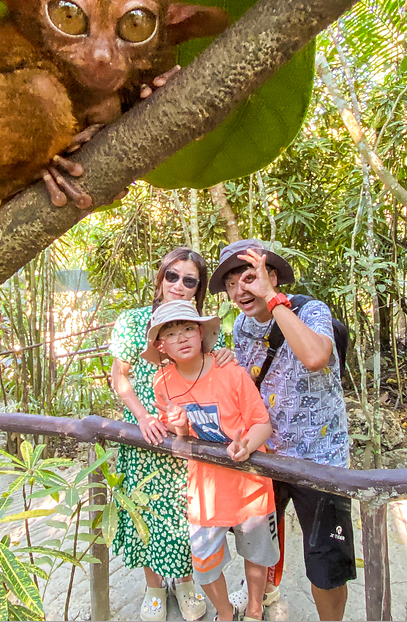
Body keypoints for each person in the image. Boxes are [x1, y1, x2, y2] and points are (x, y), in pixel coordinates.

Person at [209, 239, 356, 622]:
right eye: (230, 283)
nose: (240, 290)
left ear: (271, 277)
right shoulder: (241, 325)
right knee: (258, 542)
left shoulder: (311, 310)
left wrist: (274, 301)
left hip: (319, 460)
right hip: (268, 456)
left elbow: (314, 357)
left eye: (249, 277)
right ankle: (259, 602)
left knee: (325, 563)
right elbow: (250, 385)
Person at [110, 248, 235, 622]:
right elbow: (120, 377)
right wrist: (143, 416)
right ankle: (152, 587)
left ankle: (183, 583)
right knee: (146, 511)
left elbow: (216, 368)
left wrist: (226, 357)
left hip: (189, 438)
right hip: (147, 438)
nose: (179, 285)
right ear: (161, 277)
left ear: (198, 290)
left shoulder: (200, 327)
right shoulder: (133, 322)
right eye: (172, 276)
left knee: (184, 516)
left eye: (190, 280)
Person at [146, 300, 279, 622]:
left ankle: (254, 610)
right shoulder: (162, 383)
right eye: (172, 333)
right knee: (204, 563)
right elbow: (180, 432)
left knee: (256, 555)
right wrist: (177, 424)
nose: (181, 337)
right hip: (205, 490)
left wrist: (245, 446)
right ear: (161, 346)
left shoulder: (230, 372)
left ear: (201, 332)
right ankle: (224, 612)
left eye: (188, 328)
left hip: (250, 483)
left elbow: (262, 423)